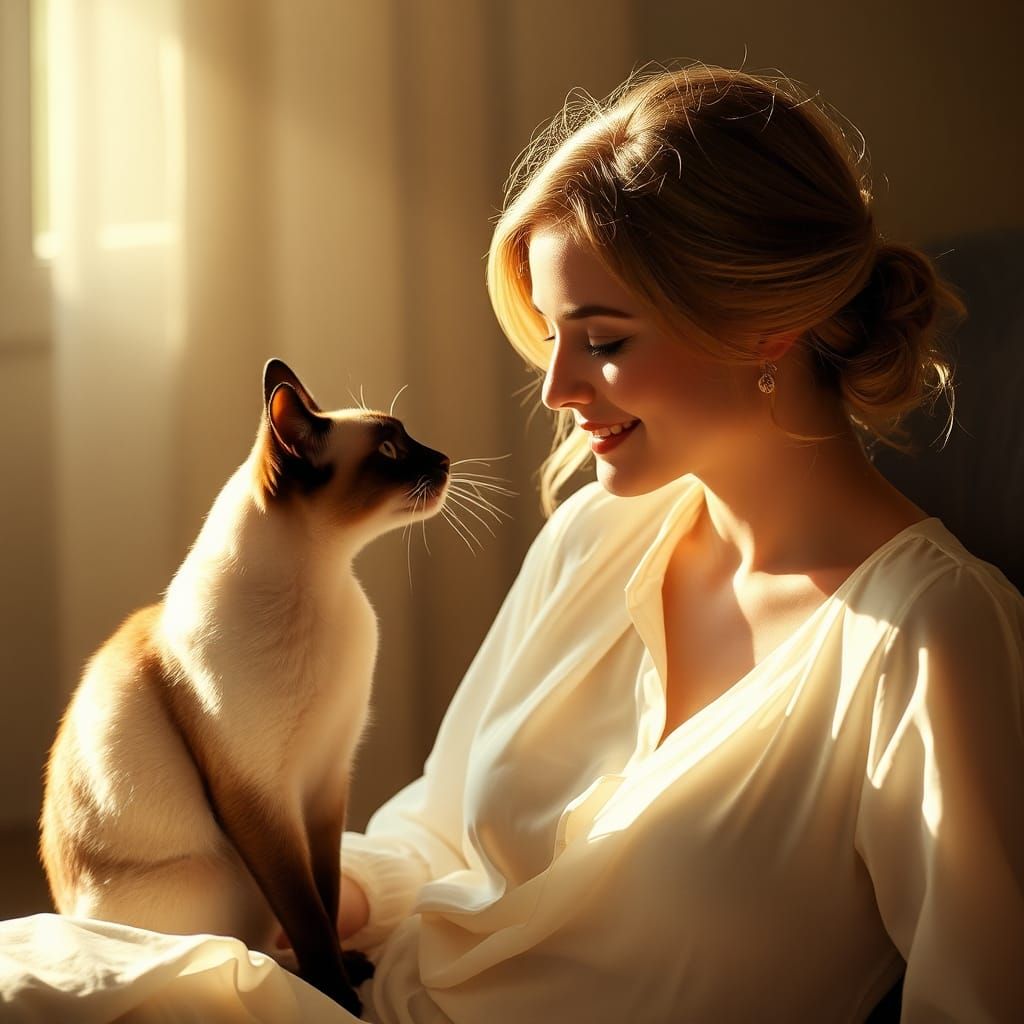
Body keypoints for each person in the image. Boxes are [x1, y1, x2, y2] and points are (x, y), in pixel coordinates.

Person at [332, 64, 1024, 1022]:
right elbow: (437, 833)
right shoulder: (595, 535)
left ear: (764, 329)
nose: (556, 391)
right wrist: (319, 897)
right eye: (554, 336)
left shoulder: (928, 636)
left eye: (604, 341)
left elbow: (975, 1003)